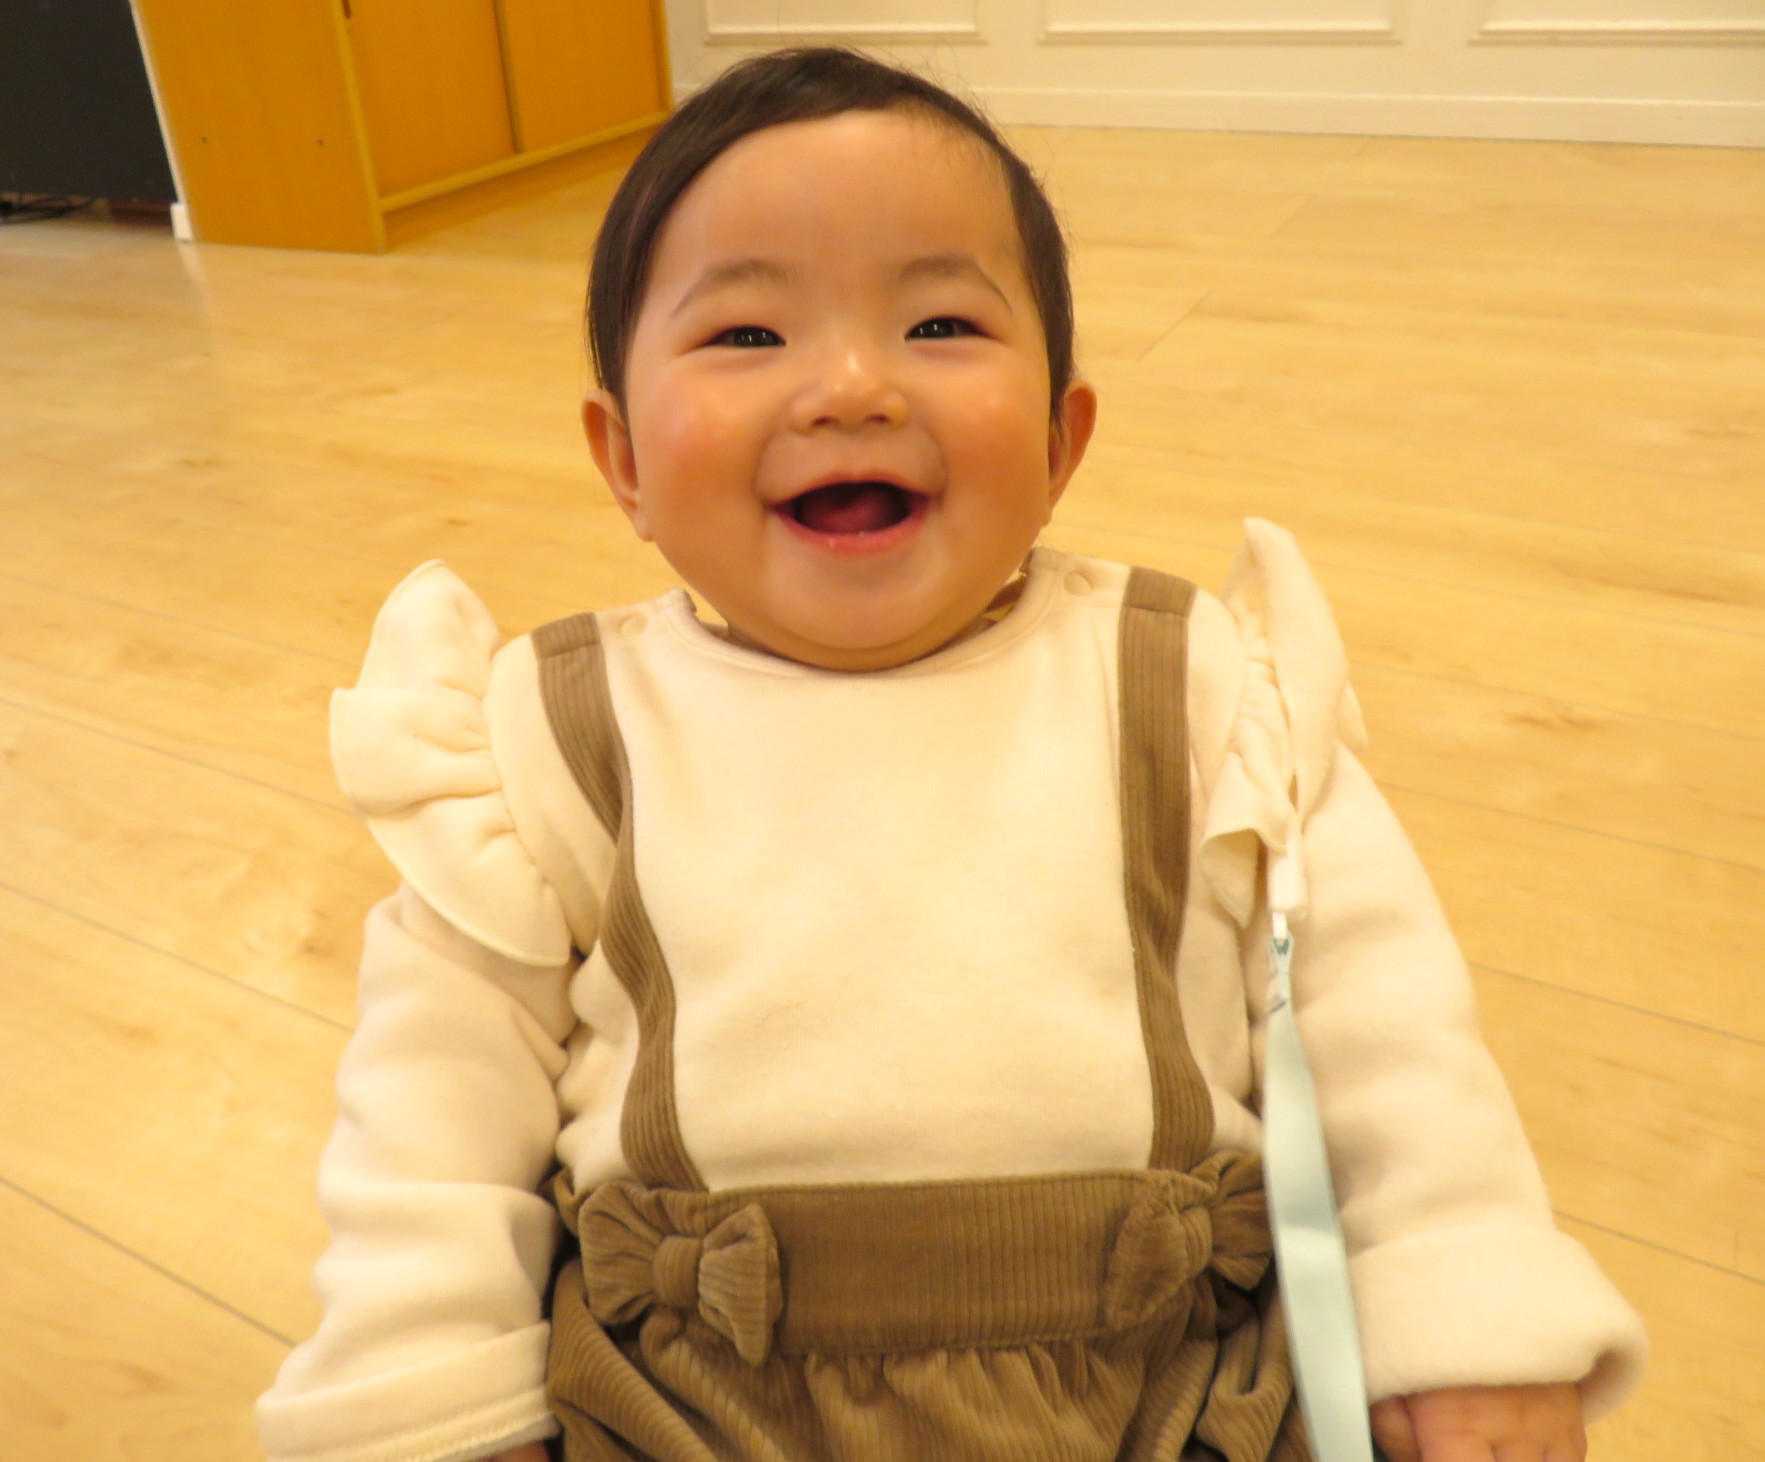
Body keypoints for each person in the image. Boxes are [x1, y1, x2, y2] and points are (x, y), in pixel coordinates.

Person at [255, 46, 1646, 1462]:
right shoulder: (554, 736)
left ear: (1059, 439)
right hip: (693, 1401)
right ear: (622, 461)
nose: (851, 387)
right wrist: (428, 1386)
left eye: (937, 324)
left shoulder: (1188, 684)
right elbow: (429, 1110)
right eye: (747, 335)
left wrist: (1457, 1296)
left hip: (1171, 1381)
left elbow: (1380, 1015)